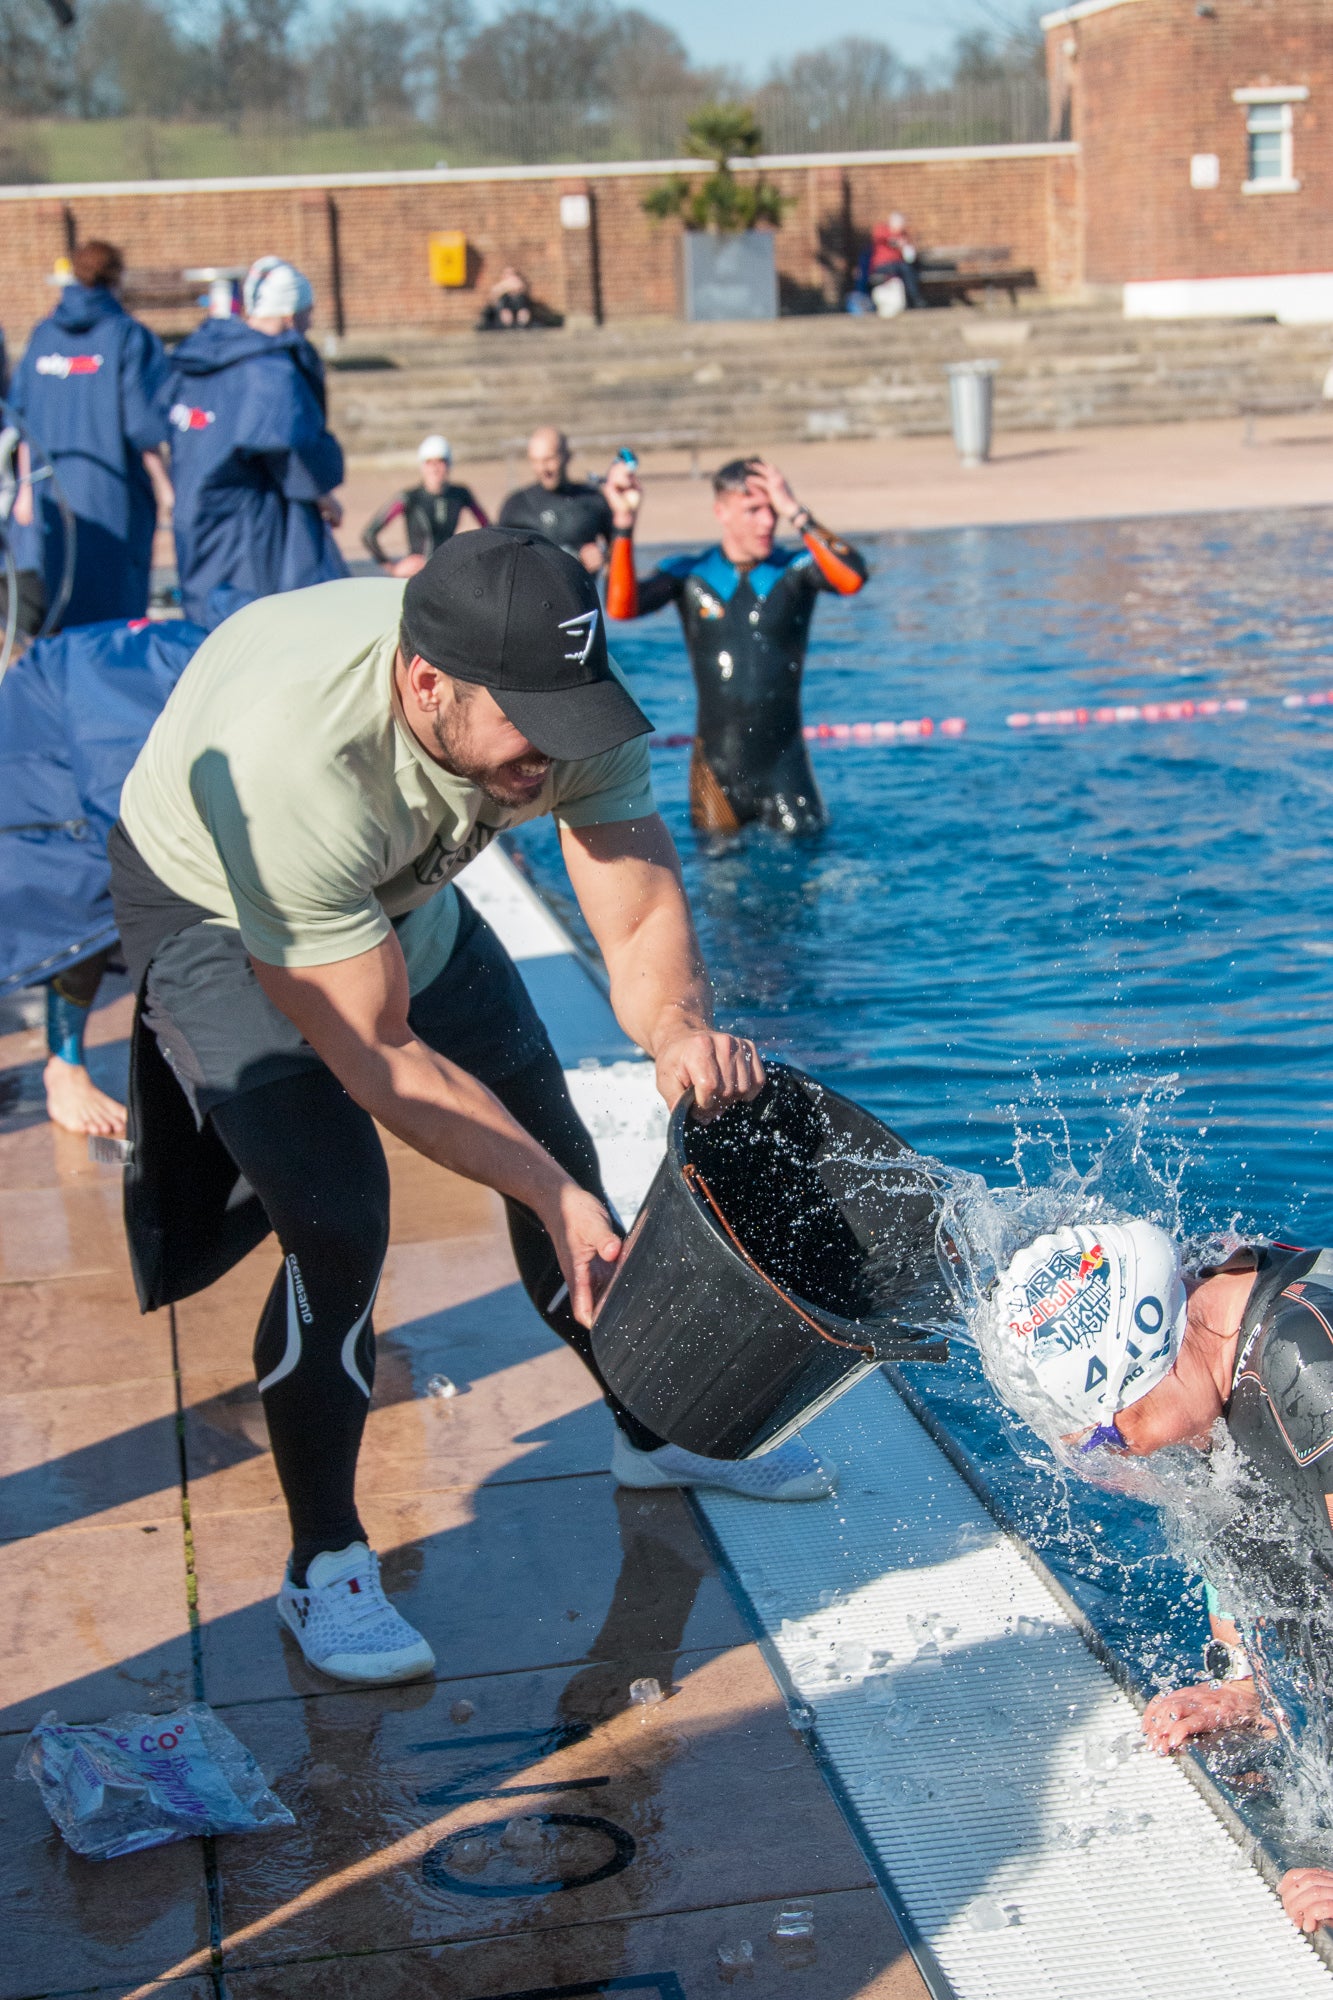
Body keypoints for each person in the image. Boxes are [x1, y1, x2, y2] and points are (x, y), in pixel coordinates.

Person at [109, 529, 836, 1692]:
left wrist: (676, 1029)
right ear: (423, 682)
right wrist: (544, 1198)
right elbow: (383, 1055)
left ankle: (653, 1432)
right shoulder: (297, 760)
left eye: (571, 721)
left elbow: (641, 918)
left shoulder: (554, 707)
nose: (553, 758)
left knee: (560, 1148)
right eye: (530, 729)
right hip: (220, 904)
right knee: (338, 1211)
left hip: (392, 892)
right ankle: (325, 1559)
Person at [985, 1220, 1333, 1936]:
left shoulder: (1310, 1364)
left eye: (1109, 1438)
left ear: (1150, 1361)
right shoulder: (1214, 1344)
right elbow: (1248, 1546)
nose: (1115, 1469)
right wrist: (1254, 1693)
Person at [0, 613, 206, 1135]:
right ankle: (65, 1066)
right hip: (70, 718)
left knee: (93, 881)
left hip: (104, 697)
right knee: (78, 885)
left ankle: (66, 1064)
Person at [605, 455, 868, 835]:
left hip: (785, 767)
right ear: (721, 512)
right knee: (716, 883)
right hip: (717, 773)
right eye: (753, 510)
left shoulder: (795, 570)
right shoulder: (690, 574)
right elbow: (620, 607)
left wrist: (795, 510)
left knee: (807, 873)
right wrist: (624, 524)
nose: (768, 521)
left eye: (772, 510)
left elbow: (853, 578)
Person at [165, 256, 346, 626]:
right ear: (290, 315)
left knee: (208, 631)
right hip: (249, 530)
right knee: (259, 632)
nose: (309, 325)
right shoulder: (270, 372)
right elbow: (293, 454)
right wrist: (324, 494)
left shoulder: (201, 361)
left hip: (197, 519)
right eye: (308, 314)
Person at [6, 239, 173, 629]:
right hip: (113, 494)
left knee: (63, 599)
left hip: (53, 494)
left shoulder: (43, 335)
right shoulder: (127, 336)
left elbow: (21, 420)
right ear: (116, 279)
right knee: (115, 607)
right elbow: (143, 424)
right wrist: (165, 485)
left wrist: (26, 492)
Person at [361, 434, 489, 578]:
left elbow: (490, 528)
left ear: (449, 464)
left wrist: (471, 556)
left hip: (449, 574)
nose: (435, 468)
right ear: (422, 466)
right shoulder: (409, 497)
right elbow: (368, 535)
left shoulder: (460, 494)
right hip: (417, 577)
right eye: (429, 462)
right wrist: (392, 568)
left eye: (441, 461)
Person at [499, 427, 614, 574]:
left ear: (567, 456)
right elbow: (499, 562)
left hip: (581, 592)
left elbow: (619, 549)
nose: (543, 468)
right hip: (536, 593)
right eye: (536, 461)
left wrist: (603, 555)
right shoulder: (516, 506)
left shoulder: (593, 499)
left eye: (549, 459)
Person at [849, 216, 924, 316]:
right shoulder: (882, 230)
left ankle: (914, 298)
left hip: (898, 265)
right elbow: (882, 238)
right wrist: (897, 242)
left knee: (907, 270)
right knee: (904, 269)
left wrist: (905, 246)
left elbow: (909, 255)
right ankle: (914, 299)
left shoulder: (903, 235)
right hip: (882, 265)